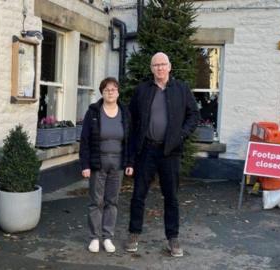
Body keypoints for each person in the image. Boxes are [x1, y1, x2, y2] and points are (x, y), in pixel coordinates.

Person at [125, 52, 200, 257]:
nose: (159, 68)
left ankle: (173, 238)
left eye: (163, 64)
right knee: (138, 194)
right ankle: (134, 233)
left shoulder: (181, 89)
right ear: (151, 69)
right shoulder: (142, 90)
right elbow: (131, 120)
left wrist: (181, 135)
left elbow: (194, 115)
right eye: (156, 65)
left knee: (171, 197)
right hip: (146, 150)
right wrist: (131, 155)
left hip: (170, 151)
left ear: (170, 66)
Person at [79, 77, 134, 253]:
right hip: (97, 162)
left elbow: (130, 141)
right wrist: (85, 165)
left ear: (118, 92)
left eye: (113, 89)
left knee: (112, 201)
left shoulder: (125, 113)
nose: (110, 92)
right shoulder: (93, 112)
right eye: (107, 89)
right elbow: (85, 140)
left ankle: (108, 236)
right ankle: (94, 237)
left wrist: (130, 162)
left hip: (117, 164)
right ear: (102, 92)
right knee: (96, 201)